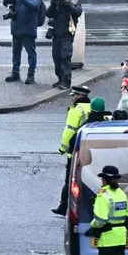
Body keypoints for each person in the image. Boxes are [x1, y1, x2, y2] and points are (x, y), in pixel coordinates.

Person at [53, 85, 91, 216]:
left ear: (79, 96)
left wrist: (62, 149)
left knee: (70, 179)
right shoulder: (90, 107)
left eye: (74, 96)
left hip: (74, 149)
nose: (72, 98)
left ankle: (64, 207)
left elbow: (69, 130)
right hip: (89, 148)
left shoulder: (76, 109)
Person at [2, 0, 42, 84]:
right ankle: (15, 73)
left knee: (31, 53)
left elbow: (34, 6)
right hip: (17, 29)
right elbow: (5, 2)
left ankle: (31, 75)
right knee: (16, 53)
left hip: (28, 30)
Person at [46, 0, 82, 90]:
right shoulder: (59, 5)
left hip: (67, 36)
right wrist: (53, 4)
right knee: (56, 58)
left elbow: (77, 12)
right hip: (56, 36)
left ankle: (66, 81)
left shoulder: (75, 5)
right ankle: (60, 78)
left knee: (65, 59)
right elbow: (48, 13)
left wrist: (67, 4)